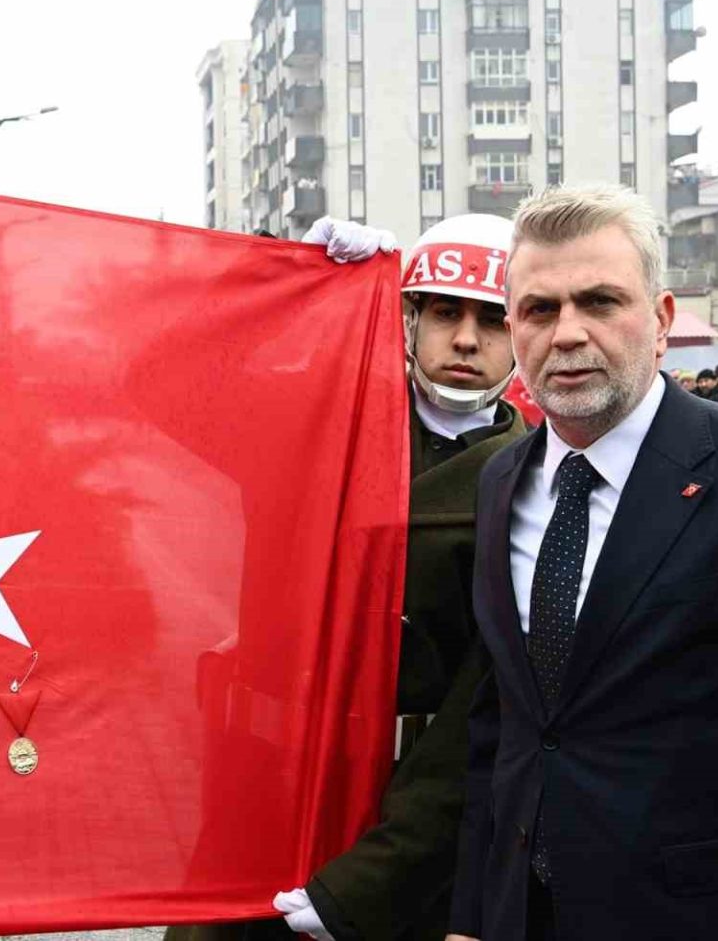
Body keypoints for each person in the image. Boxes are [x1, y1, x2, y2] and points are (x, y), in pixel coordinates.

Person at [446, 186, 718, 941]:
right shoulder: (500, 482)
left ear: (661, 319)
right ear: (514, 327)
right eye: (540, 309)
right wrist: (472, 917)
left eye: (600, 301)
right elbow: (503, 732)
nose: (568, 333)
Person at [171, 214, 528, 941]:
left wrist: (372, 883)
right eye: (445, 312)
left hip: (408, 818)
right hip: (270, 791)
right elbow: (160, 379)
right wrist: (288, 283)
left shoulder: (537, 484)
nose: (466, 340)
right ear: (409, 319)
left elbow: (479, 719)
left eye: (493, 320)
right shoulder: (314, 423)